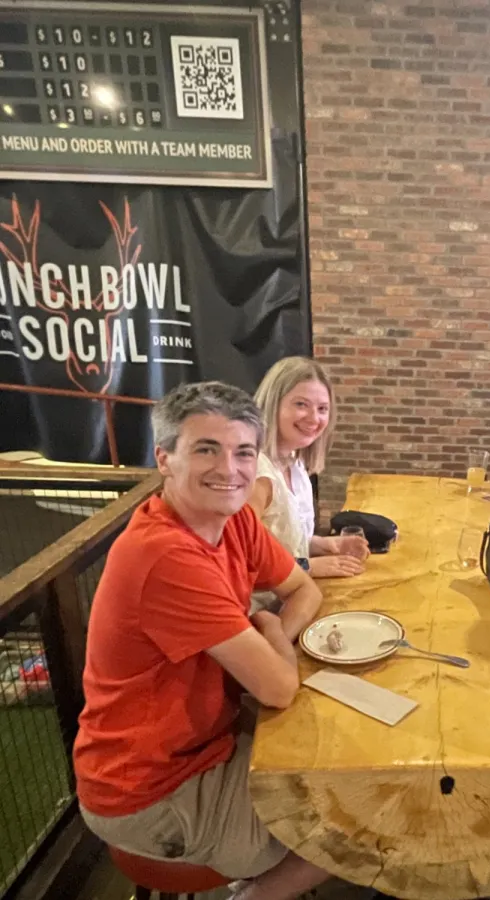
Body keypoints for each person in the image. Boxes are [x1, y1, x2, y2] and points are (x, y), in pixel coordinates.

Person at [73, 382, 331, 900]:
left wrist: (274, 629)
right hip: (149, 790)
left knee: (340, 768)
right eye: (206, 449)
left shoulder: (232, 520)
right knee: (347, 823)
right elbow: (279, 688)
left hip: (206, 744)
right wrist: (275, 642)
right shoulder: (166, 555)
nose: (229, 470)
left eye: (242, 453)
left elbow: (303, 588)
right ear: (165, 459)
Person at [250, 357, 368, 580]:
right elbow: (242, 560)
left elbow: (282, 543)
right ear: (272, 404)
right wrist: (308, 567)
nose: (314, 418)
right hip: (263, 608)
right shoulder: (255, 474)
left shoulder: (294, 461)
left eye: (322, 408)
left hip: (297, 595)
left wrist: (326, 544)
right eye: (301, 404)